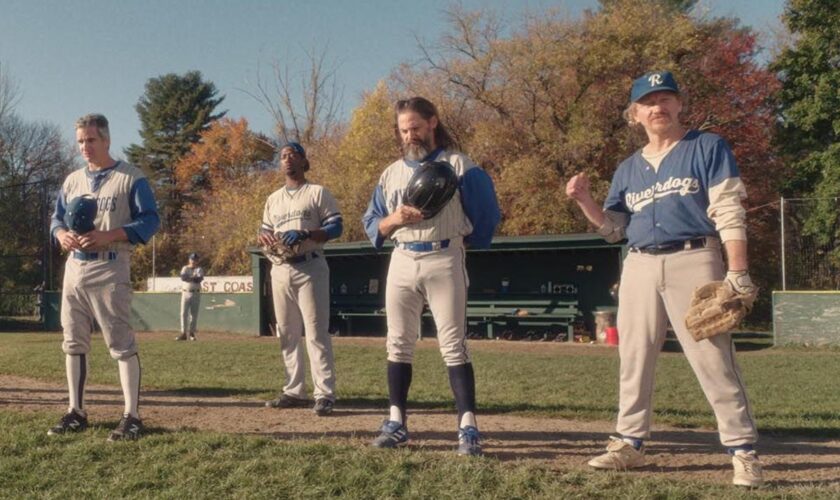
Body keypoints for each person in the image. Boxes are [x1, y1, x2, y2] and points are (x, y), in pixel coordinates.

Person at [565, 71, 763, 487]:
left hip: (695, 258)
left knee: (712, 356)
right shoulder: (627, 168)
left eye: (665, 98)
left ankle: (743, 450)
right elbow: (615, 228)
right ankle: (629, 444)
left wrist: (738, 271)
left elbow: (728, 209)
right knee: (633, 357)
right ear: (634, 114)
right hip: (637, 263)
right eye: (648, 101)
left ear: (679, 104)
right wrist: (585, 201)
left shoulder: (706, 146)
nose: (658, 107)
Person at [362, 97, 501, 456]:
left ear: (433, 122)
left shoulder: (459, 165)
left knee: (453, 344)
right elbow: (373, 224)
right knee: (398, 342)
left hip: (443, 255)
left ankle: (467, 427)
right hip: (403, 257)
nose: (411, 135)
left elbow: (487, 213)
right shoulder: (390, 173)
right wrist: (396, 220)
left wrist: (465, 241)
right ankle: (396, 423)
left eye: (417, 127)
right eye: (404, 129)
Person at [48, 113, 160, 441]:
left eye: (91, 140)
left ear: (107, 140)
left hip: (111, 265)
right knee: (73, 341)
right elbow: (55, 218)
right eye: (81, 140)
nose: (85, 146)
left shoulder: (130, 177)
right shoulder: (72, 180)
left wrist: (109, 235)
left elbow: (150, 220)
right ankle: (76, 411)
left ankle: (132, 416)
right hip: (75, 269)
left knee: (121, 344)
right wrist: (60, 235)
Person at [258, 142, 343, 416]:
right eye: (283, 156)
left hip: (311, 266)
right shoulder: (273, 199)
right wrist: (265, 238)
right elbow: (264, 231)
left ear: (303, 160)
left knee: (316, 332)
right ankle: (294, 390)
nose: (287, 159)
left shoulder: (317, 192)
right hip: (281, 267)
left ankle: (324, 393)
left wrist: (306, 234)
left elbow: (336, 226)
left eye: (292, 155)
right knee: (287, 332)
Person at [176, 253, 204, 341]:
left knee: (194, 314)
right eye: (192, 259)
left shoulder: (199, 269)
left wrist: (190, 278)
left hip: (195, 293)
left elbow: (199, 279)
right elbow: (183, 278)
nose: (193, 261)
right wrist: (193, 277)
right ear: (189, 260)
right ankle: (183, 333)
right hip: (185, 293)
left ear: (197, 261)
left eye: (195, 260)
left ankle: (192, 333)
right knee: (183, 313)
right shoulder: (185, 268)